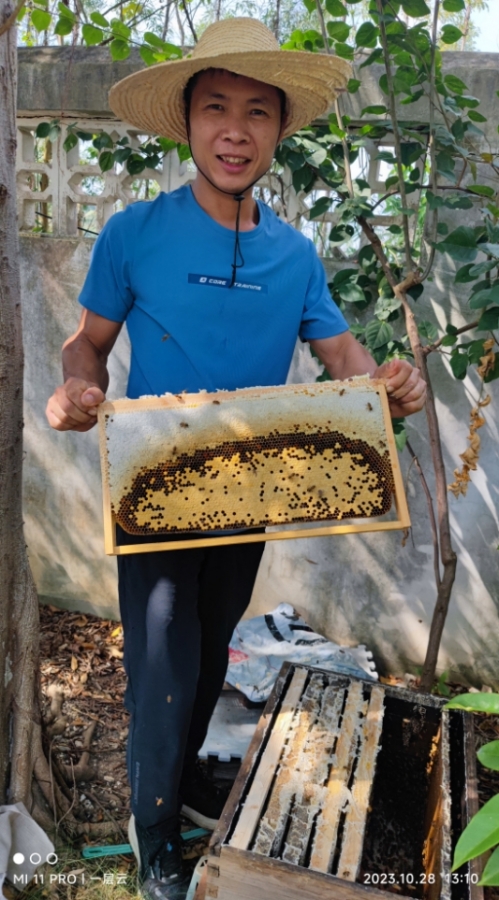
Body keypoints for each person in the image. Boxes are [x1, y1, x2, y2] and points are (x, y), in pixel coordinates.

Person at [46, 17, 426, 900]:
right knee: (162, 663)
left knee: (211, 651)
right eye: (215, 107)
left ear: (279, 130)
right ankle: (153, 838)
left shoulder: (293, 255)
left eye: (257, 112)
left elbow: (342, 357)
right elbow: (86, 344)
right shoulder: (134, 232)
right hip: (152, 494)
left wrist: (387, 384)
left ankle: (178, 786)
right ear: (186, 121)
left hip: (250, 495)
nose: (234, 130)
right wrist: (75, 391)